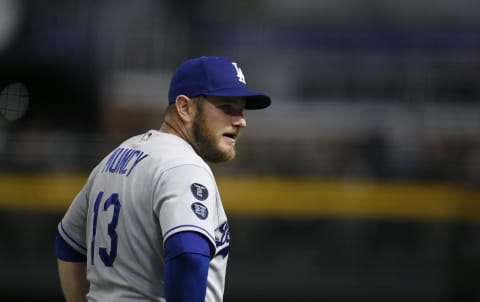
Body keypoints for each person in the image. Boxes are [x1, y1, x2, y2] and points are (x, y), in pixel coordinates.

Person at [55, 56, 271, 302]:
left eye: (241, 110)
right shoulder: (184, 167)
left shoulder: (117, 157)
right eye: (226, 107)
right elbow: (187, 253)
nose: (241, 120)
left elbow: (68, 242)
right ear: (185, 108)